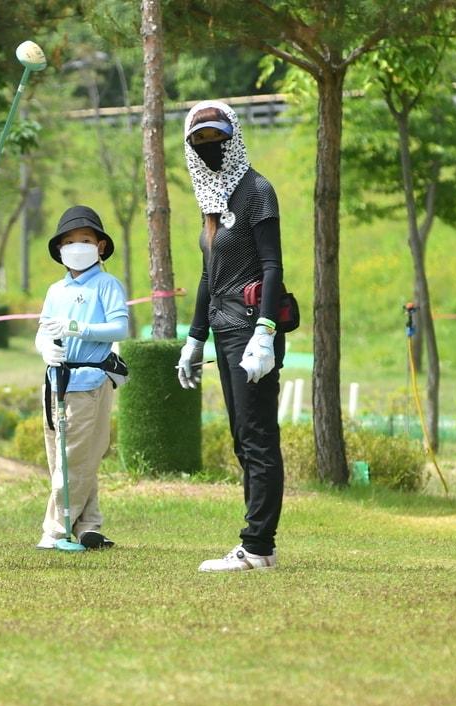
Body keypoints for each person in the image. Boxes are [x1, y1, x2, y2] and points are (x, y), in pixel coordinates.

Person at [175, 101, 287, 572]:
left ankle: (257, 545)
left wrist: (265, 329)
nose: (211, 149)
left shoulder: (256, 191)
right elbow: (208, 274)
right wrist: (194, 337)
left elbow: (271, 266)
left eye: (218, 138)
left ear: (234, 136)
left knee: (258, 435)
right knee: (243, 436)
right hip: (223, 330)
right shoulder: (212, 201)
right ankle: (257, 541)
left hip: (250, 328)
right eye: (200, 142)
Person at [34, 205, 129, 551]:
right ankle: (89, 523)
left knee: (75, 457)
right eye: (70, 241)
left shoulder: (106, 284)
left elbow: (119, 327)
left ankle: (56, 529)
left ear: (100, 246)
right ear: (59, 249)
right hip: (55, 380)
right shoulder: (55, 290)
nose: (77, 246)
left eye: (85, 239)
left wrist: (77, 328)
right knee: (65, 456)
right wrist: (46, 347)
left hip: (88, 382)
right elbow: (42, 330)